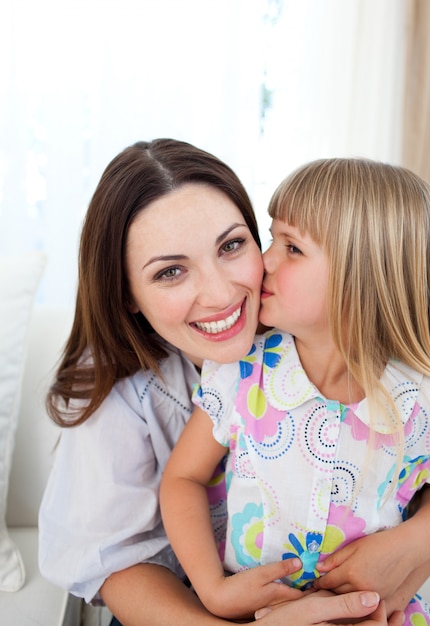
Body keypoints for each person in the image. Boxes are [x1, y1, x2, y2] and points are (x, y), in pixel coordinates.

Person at [37, 139, 403, 626]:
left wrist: (400, 572)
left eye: (231, 246)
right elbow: (116, 566)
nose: (220, 293)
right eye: (170, 272)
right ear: (126, 293)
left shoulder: (326, 332)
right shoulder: (117, 386)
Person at [160, 157, 430, 625]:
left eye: (292, 248)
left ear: (362, 278)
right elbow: (181, 480)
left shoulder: (428, 405)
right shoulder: (244, 373)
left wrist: (410, 542)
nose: (262, 261)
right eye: (272, 239)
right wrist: (213, 591)